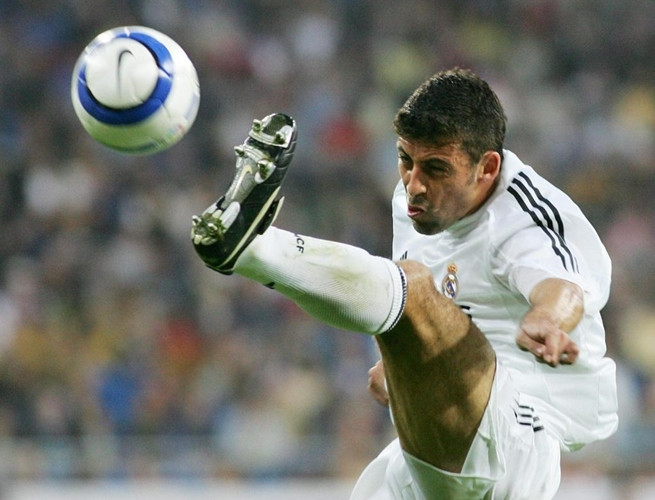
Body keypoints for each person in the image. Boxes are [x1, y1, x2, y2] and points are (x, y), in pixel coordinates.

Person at [191, 68, 618, 499]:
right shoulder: (416, 202)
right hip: (432, 451)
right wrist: (404, 363)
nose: (414, 184)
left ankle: (251, 248)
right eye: (405, 160)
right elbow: (414, 308)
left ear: (487, 167)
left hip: (516, 440)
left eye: (435, 168)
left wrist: (548, 320)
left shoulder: (523, 217)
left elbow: (563, 287)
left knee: (411, 289)